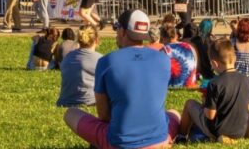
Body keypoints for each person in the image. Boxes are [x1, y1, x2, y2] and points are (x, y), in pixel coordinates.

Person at [64, 9, 180, 149]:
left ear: (123, 31)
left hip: (120, 143)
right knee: (174, 113)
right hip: (160, 141)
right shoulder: (164, 59)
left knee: (71, 113)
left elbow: (104, 116)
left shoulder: (106, 62)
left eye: (117, 28)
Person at [178, 40, 249, 143]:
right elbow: (248, 107)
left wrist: (206, 104)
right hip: (240, 131)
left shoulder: (215, 83)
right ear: (234, 58)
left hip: (217, 131)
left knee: (189, 104)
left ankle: (181, 137)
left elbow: (210, 115)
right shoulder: (246, 80)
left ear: (214, 63)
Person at [57, 25, 101, 108]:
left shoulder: (68, 57)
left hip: (64, 102)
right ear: (96, 40)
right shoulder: (100, 60)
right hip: (89, 102)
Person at [155, 16, 198, 88]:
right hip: (190, 83)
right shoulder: (190, 47)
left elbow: (157, 72)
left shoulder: (165, 50)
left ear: (163, 37)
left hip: (174, 85)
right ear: (176, 36)